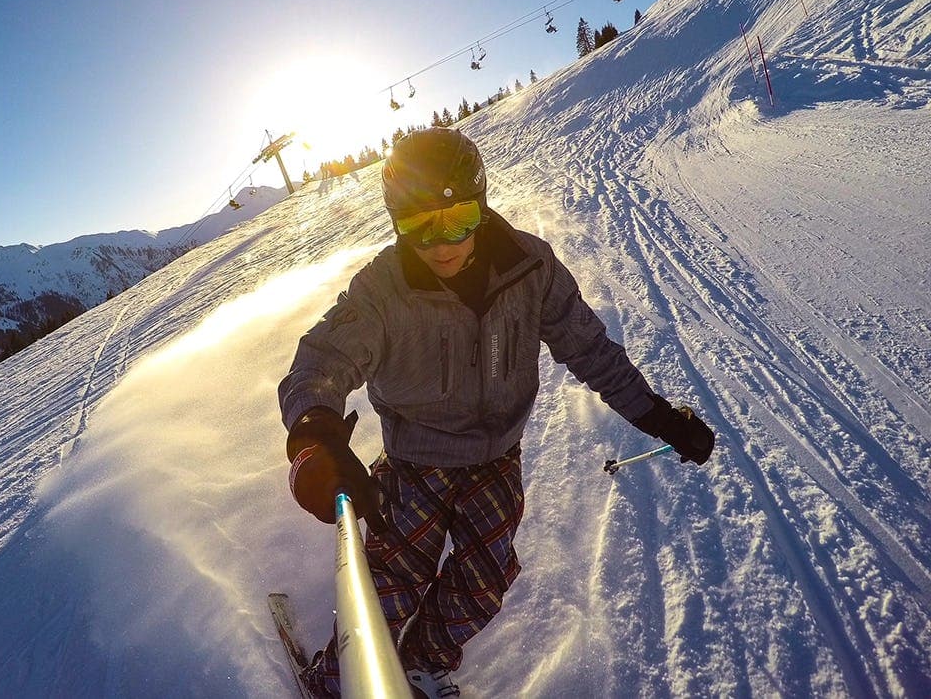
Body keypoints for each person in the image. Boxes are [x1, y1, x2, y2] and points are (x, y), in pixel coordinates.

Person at [279, 128, 715, 698]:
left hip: (495, 457)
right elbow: (323, 360)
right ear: (395, 223)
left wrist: (659, 418)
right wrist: (314, 433)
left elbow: (590, 350)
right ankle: (338, 681)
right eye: (418, 225)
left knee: (483, 582)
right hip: (416, 459)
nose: (441, 243)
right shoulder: (383, 290)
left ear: (481, 205)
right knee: (396, 579)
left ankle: (422, 661)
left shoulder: (530, 269)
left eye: (458, 218)